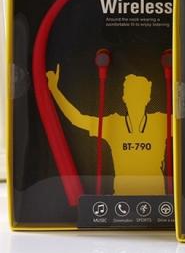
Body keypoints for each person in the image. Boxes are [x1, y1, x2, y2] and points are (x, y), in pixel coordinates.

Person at [47, 65, 167, 195]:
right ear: (124, 97)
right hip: (121, 200)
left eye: (139, 94)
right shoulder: (114, 122)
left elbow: (182, 119)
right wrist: (54, 90)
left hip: (158, 199)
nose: (135, 99)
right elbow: (77, 119)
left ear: (148, 98)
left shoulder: (161, 120)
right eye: (131, 94)